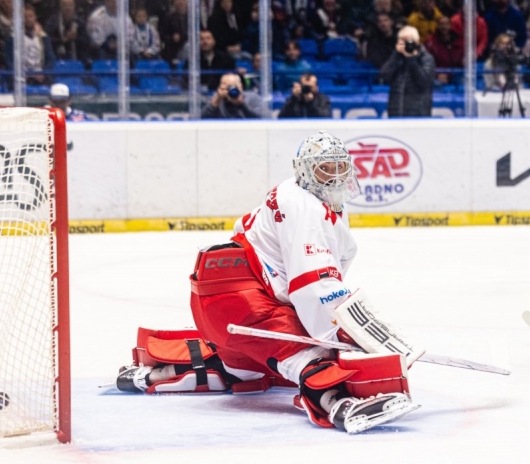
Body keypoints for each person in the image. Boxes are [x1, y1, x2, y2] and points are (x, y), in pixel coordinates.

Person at [115, 131, 420, 434]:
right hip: (243, 302)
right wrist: (348, 332)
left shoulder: (296, 192)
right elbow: (313, 286)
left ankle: (158, 374)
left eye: (340, 166)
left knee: (243, 370)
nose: (335, 175)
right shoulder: (306, 207)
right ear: (304, 170)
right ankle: (337, 403)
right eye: (324, 167)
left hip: (225, 301)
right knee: (315, 358)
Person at [380, 25, 435, 118]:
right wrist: (396, 55)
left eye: (408, 41)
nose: (405, 44)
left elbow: (423, 81)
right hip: (396, 113)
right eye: (401, 40)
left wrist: (412, 59)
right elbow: (384, 76)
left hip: (418, 114)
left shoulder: (426, 58)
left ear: (416, 42)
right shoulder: (396, 58)